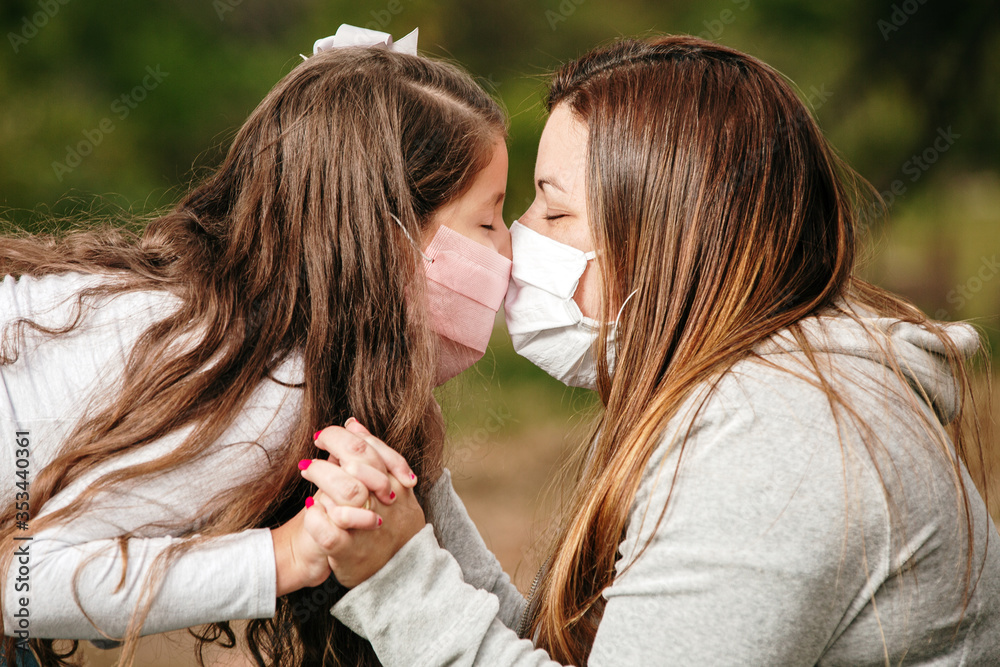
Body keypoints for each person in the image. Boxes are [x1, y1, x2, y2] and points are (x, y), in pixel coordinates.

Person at [299, 35, 1000, 665]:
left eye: (553, 208)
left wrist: (400, 577)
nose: (517, 240)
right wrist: (414, 488)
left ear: (666, 238)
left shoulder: (777, 436)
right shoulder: (750, 391)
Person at [0, 25, 511, 667]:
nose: (508, 251)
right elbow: (19, 585)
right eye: (489, 220)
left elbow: (475, 589)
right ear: (389, 243)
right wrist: (285, 556)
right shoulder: (267, 391)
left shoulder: (264, 332)